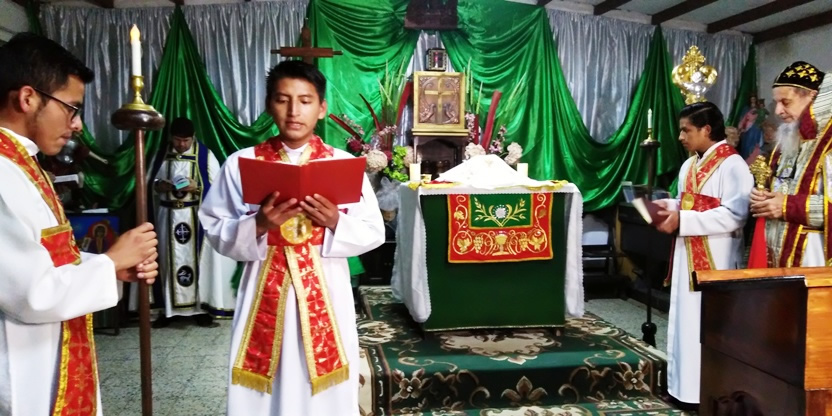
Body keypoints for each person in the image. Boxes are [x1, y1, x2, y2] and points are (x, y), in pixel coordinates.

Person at [198, 60, 384, 415]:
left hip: (326, 288)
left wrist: (335, 221)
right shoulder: (241, 163)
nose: (294, 111)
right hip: (263, 288)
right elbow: (214, 227)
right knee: (267, 387)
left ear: (322, 108)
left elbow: (373, 230)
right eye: (283, 100)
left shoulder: (342, 164)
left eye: (305, 100)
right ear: (270, 104)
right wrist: (258, 224)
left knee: (323, 392)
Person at [0, 33, 158, 416]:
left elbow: (45, 259)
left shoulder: (22, 164)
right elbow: (30, 293)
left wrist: (111, 265)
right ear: (27, 98)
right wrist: (109, 263)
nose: (77, 124)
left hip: (45, 351)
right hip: (21, 365)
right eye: (71, 108)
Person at [653, 102, 753, 410]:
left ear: (707, 130)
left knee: (705, 324)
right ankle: (682, 389)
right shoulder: (689, 165)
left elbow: (736, 214)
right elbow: (688, 202)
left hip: (716, 256)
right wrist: (667, 208)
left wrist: (683, 219)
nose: (680, 137)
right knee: (684, 321)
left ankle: (705, 393)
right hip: (687, 253)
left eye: (686, 130)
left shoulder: (733, 165)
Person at [148, 116, 236, 328]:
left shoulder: (205, 155)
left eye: (185, 140)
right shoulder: (161, 155)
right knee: (168, 262)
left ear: (193, 137)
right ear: (171, 137)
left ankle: (201, 309)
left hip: (195, 217)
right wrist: (160, 186)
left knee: (199, 263)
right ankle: (169, 310)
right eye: (177, 140)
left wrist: (198, 187)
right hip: (168, 217)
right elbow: (149, 183)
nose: (181, 144)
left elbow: (219, 189)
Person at [750, 61, 831, 267]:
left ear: (811, 96)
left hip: (814, 254)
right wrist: (765, 198)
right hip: (778, 250)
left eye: (785, 102)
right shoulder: (789, 136)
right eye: (776, 102)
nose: (778, 111)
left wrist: (786, 206)